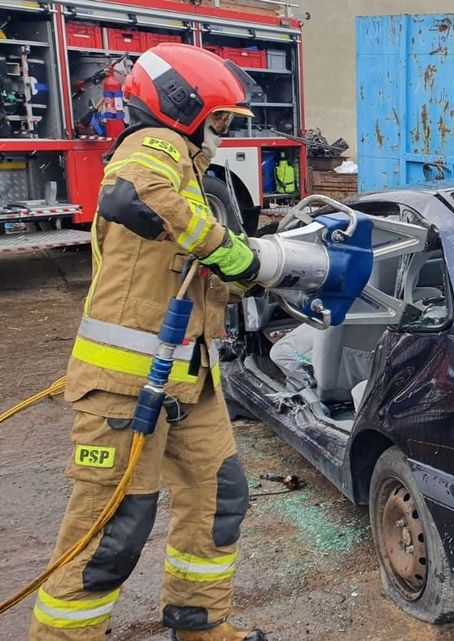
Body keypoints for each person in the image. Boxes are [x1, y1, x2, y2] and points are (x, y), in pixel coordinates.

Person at [31, 44, 266, 641]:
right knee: (112, 527)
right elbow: (135, 193)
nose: (220, 132)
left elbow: (194, 275)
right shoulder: (151, 148)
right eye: (217, 118)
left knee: (220, 498)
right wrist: (226, 250)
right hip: (123, 386)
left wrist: (250, 275)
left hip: (191, 380)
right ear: (183, 106)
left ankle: (199, 622)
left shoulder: (191, 170)